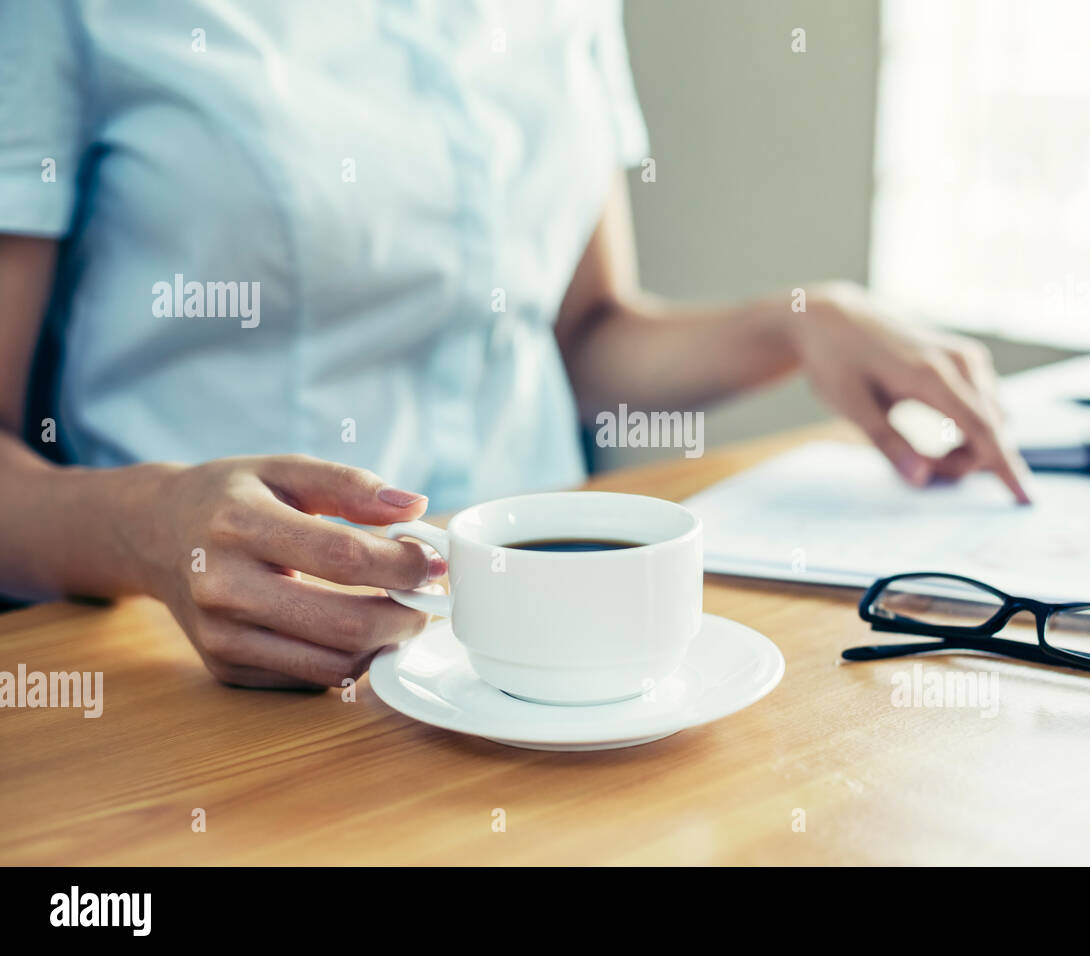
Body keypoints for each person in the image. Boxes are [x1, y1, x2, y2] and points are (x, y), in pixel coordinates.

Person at [0, 1, 1032, 689]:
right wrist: (150, 529)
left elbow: (582, 337)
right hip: (215, 678)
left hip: (558, 659)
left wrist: (801, 320)